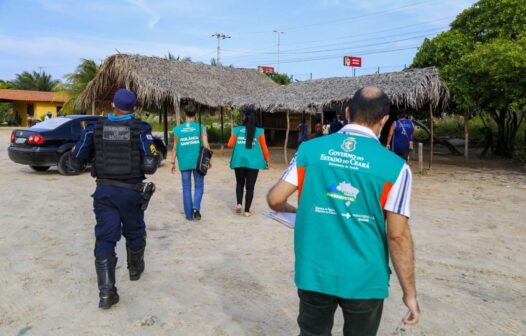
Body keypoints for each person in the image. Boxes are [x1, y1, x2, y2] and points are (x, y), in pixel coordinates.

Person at [267, 86, 420, 335]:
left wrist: (297, 211)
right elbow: (397, 236)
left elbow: (275, 199)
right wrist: (409, 293)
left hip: (315, 271)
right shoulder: (396, 167)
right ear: (384, 120)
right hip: (365, 278)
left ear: (347, 112)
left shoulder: (309, 150)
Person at [69, 89, 159, 309]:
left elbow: (75, 160)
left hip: (105, 192)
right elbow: (150, 164)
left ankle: (107, 293)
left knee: (105, 239)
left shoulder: (94, 128)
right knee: (135, 232)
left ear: (112, 105)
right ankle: (135, 270)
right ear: (134, 108)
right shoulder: (140, 129)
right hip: (131, 192)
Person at [171, 101, 211, 221]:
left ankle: (189, 216)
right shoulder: (201, 128)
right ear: (195, 114)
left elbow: (174, 147)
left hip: (184, 162)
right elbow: (206, 145)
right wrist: (208, 159)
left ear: (185, 114)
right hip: (198, 162)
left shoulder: (177, 130)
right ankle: (195, 208)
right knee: (199, 186)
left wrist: (172, 162)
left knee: (186, 187)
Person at [227, 108, 270, 217]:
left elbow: (230, 144)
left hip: (239, 161)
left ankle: (239, 204)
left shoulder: (237, 130)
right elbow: (264, 148)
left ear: (245, 118)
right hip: (254, 163)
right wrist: (267, 160)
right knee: (250, 188)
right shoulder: (260, 131)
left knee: (240, 184)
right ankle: (246, 211)